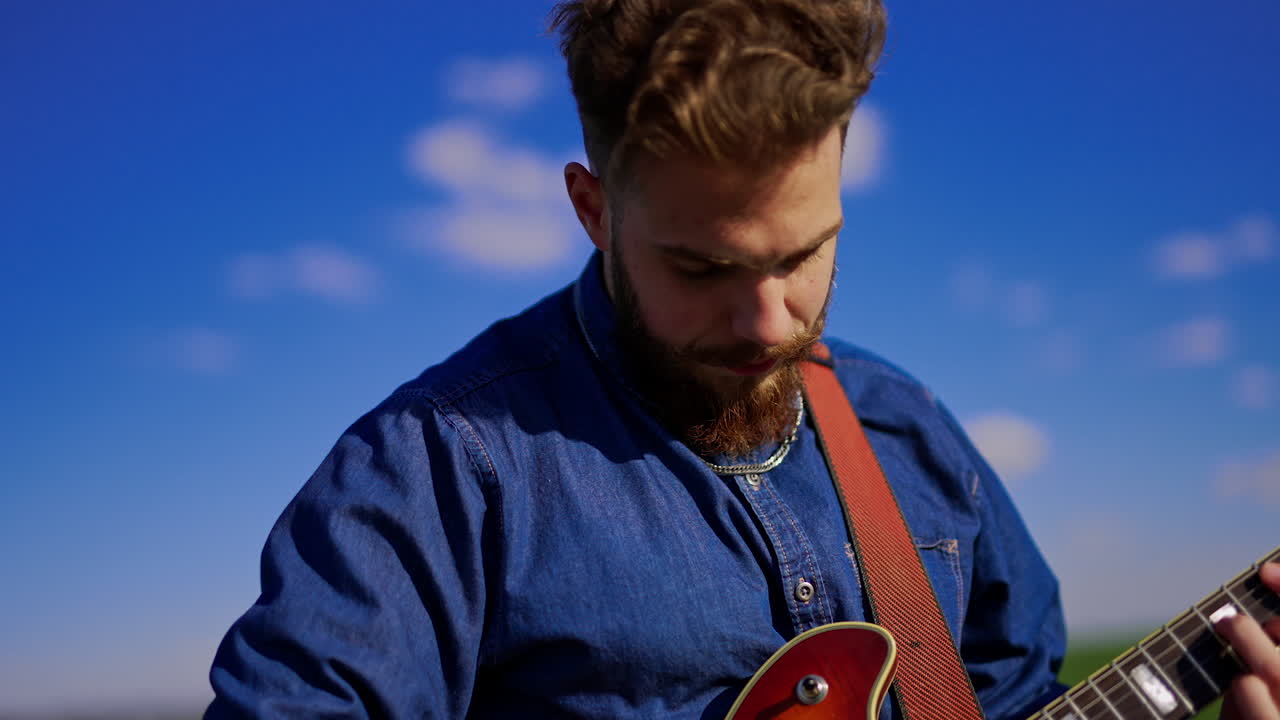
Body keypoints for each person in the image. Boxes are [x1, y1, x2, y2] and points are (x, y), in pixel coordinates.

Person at [206, 1, 1280, 718]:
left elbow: (1013, 687)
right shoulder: (436, 472)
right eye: (700, 267)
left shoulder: (909, 434)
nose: (767, 322)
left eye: (802, 254)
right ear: (593, 211)